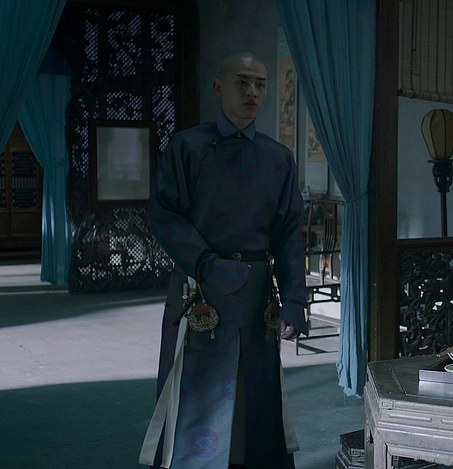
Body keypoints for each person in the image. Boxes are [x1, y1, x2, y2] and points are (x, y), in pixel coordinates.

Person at [140, 52, 307, 468]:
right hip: (200, 286)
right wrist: (206, 265)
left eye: (260, 84)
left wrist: (294, 299)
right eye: (242, 82)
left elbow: (289, 232)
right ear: (219, 87)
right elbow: (165, 215)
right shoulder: (187, 146)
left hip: (255, 292)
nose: (252, 92)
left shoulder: (278, 157)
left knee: (256, 389)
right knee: (196, 389)